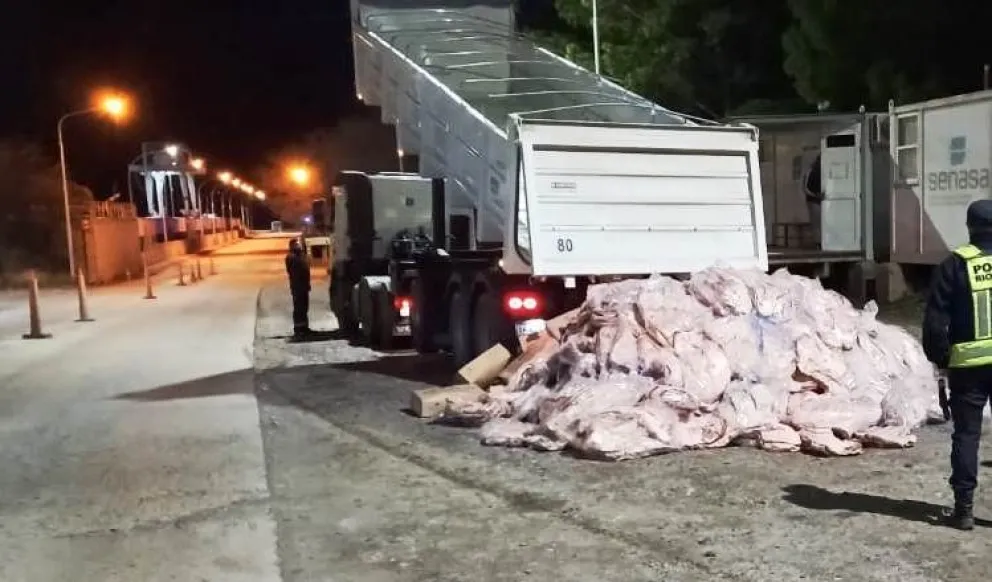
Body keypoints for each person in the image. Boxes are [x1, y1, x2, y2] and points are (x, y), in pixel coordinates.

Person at [922, 199, 992, 530]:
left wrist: (940, 358)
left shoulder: (953, 265)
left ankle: (964, 509)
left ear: (969, 227)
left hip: (968, 368)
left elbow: (936, 322)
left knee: (966, 435)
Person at [285, 237, 312, 338]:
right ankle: (298, 329)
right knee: (298, 308)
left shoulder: (300, 255)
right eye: (297, 244)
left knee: (304, 307)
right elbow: (295, 271)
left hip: (304, 286)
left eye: (299, 244)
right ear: (292, 246)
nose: (299, 245)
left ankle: (304, 327)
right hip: (297, 286)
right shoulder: (291, 257)